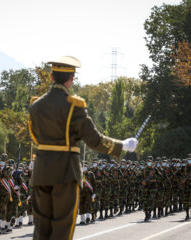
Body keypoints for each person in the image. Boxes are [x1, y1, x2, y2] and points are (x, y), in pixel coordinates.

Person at [28, 56, 138, 240]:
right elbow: (94, 140)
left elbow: (35, 137)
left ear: (51, 76)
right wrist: (123, 145)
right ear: (71, 79)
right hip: (65, 172)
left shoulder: (35, 105)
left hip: (40, 171)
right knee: (62, 227)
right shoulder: (74, 105)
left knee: (41, 228)